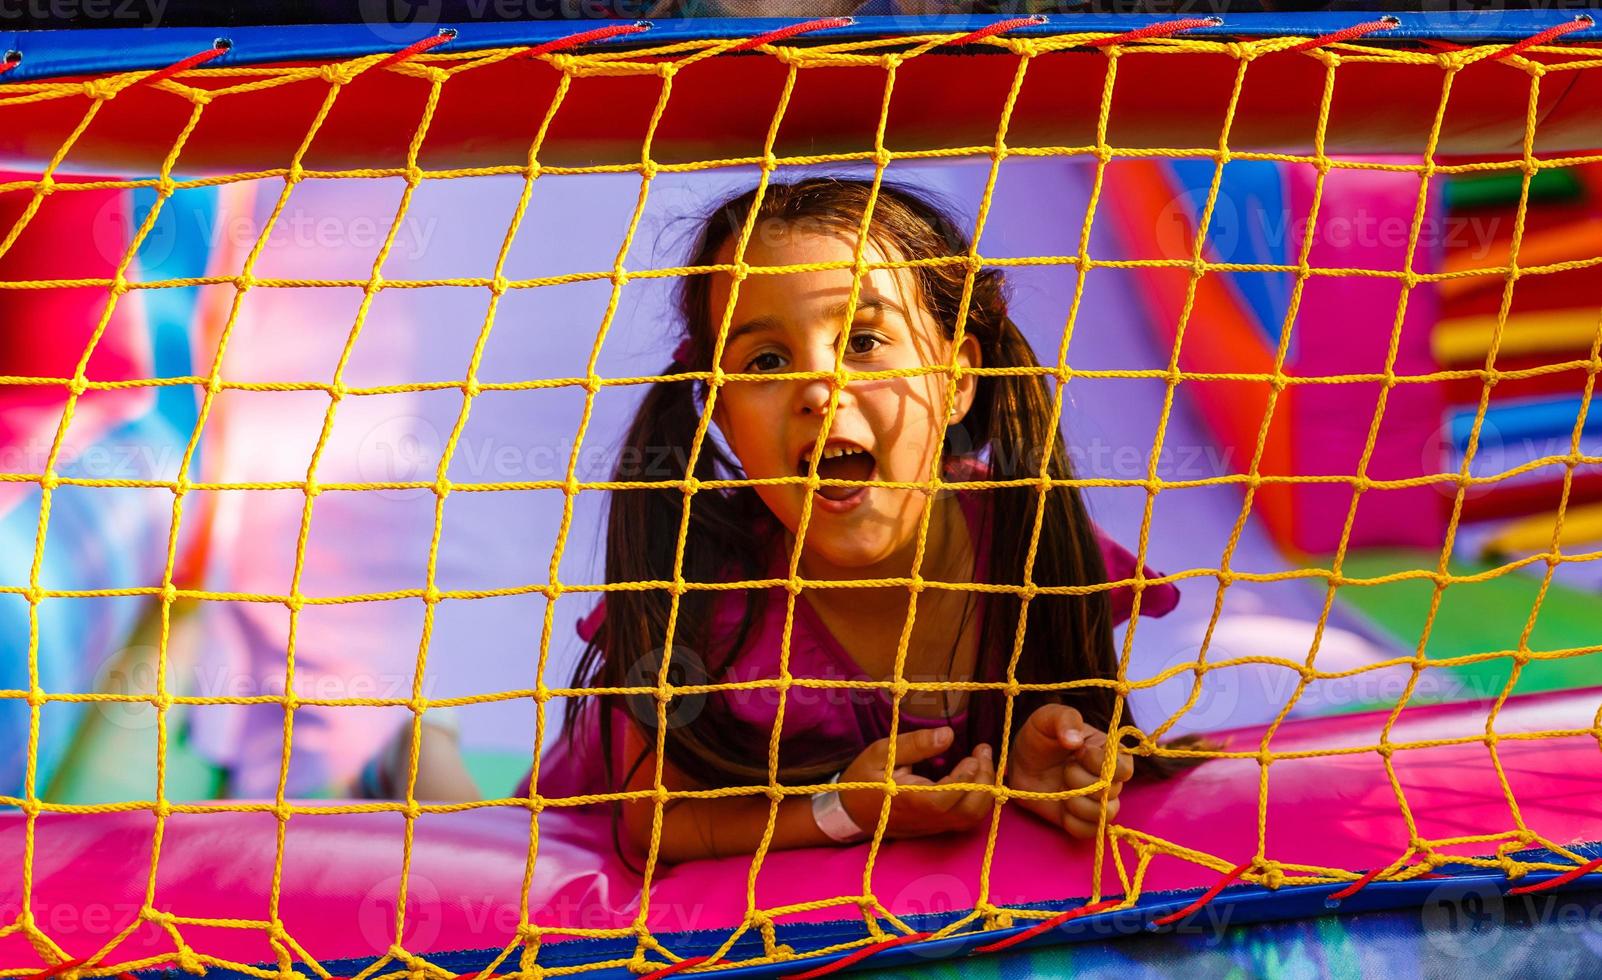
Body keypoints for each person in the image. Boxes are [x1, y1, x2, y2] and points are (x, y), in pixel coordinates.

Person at [362, 178, 1203, 865]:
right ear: (724, 421)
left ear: (956, 380)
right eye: (766, 360)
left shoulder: (1031, 547)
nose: (817, 388)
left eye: (865, 341)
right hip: (573, 825)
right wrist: (842, 811)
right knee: (450, 827)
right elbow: (656, 823)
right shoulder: (717, 600)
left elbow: (1045, 737)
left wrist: (1044, 767)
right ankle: (415, 759)